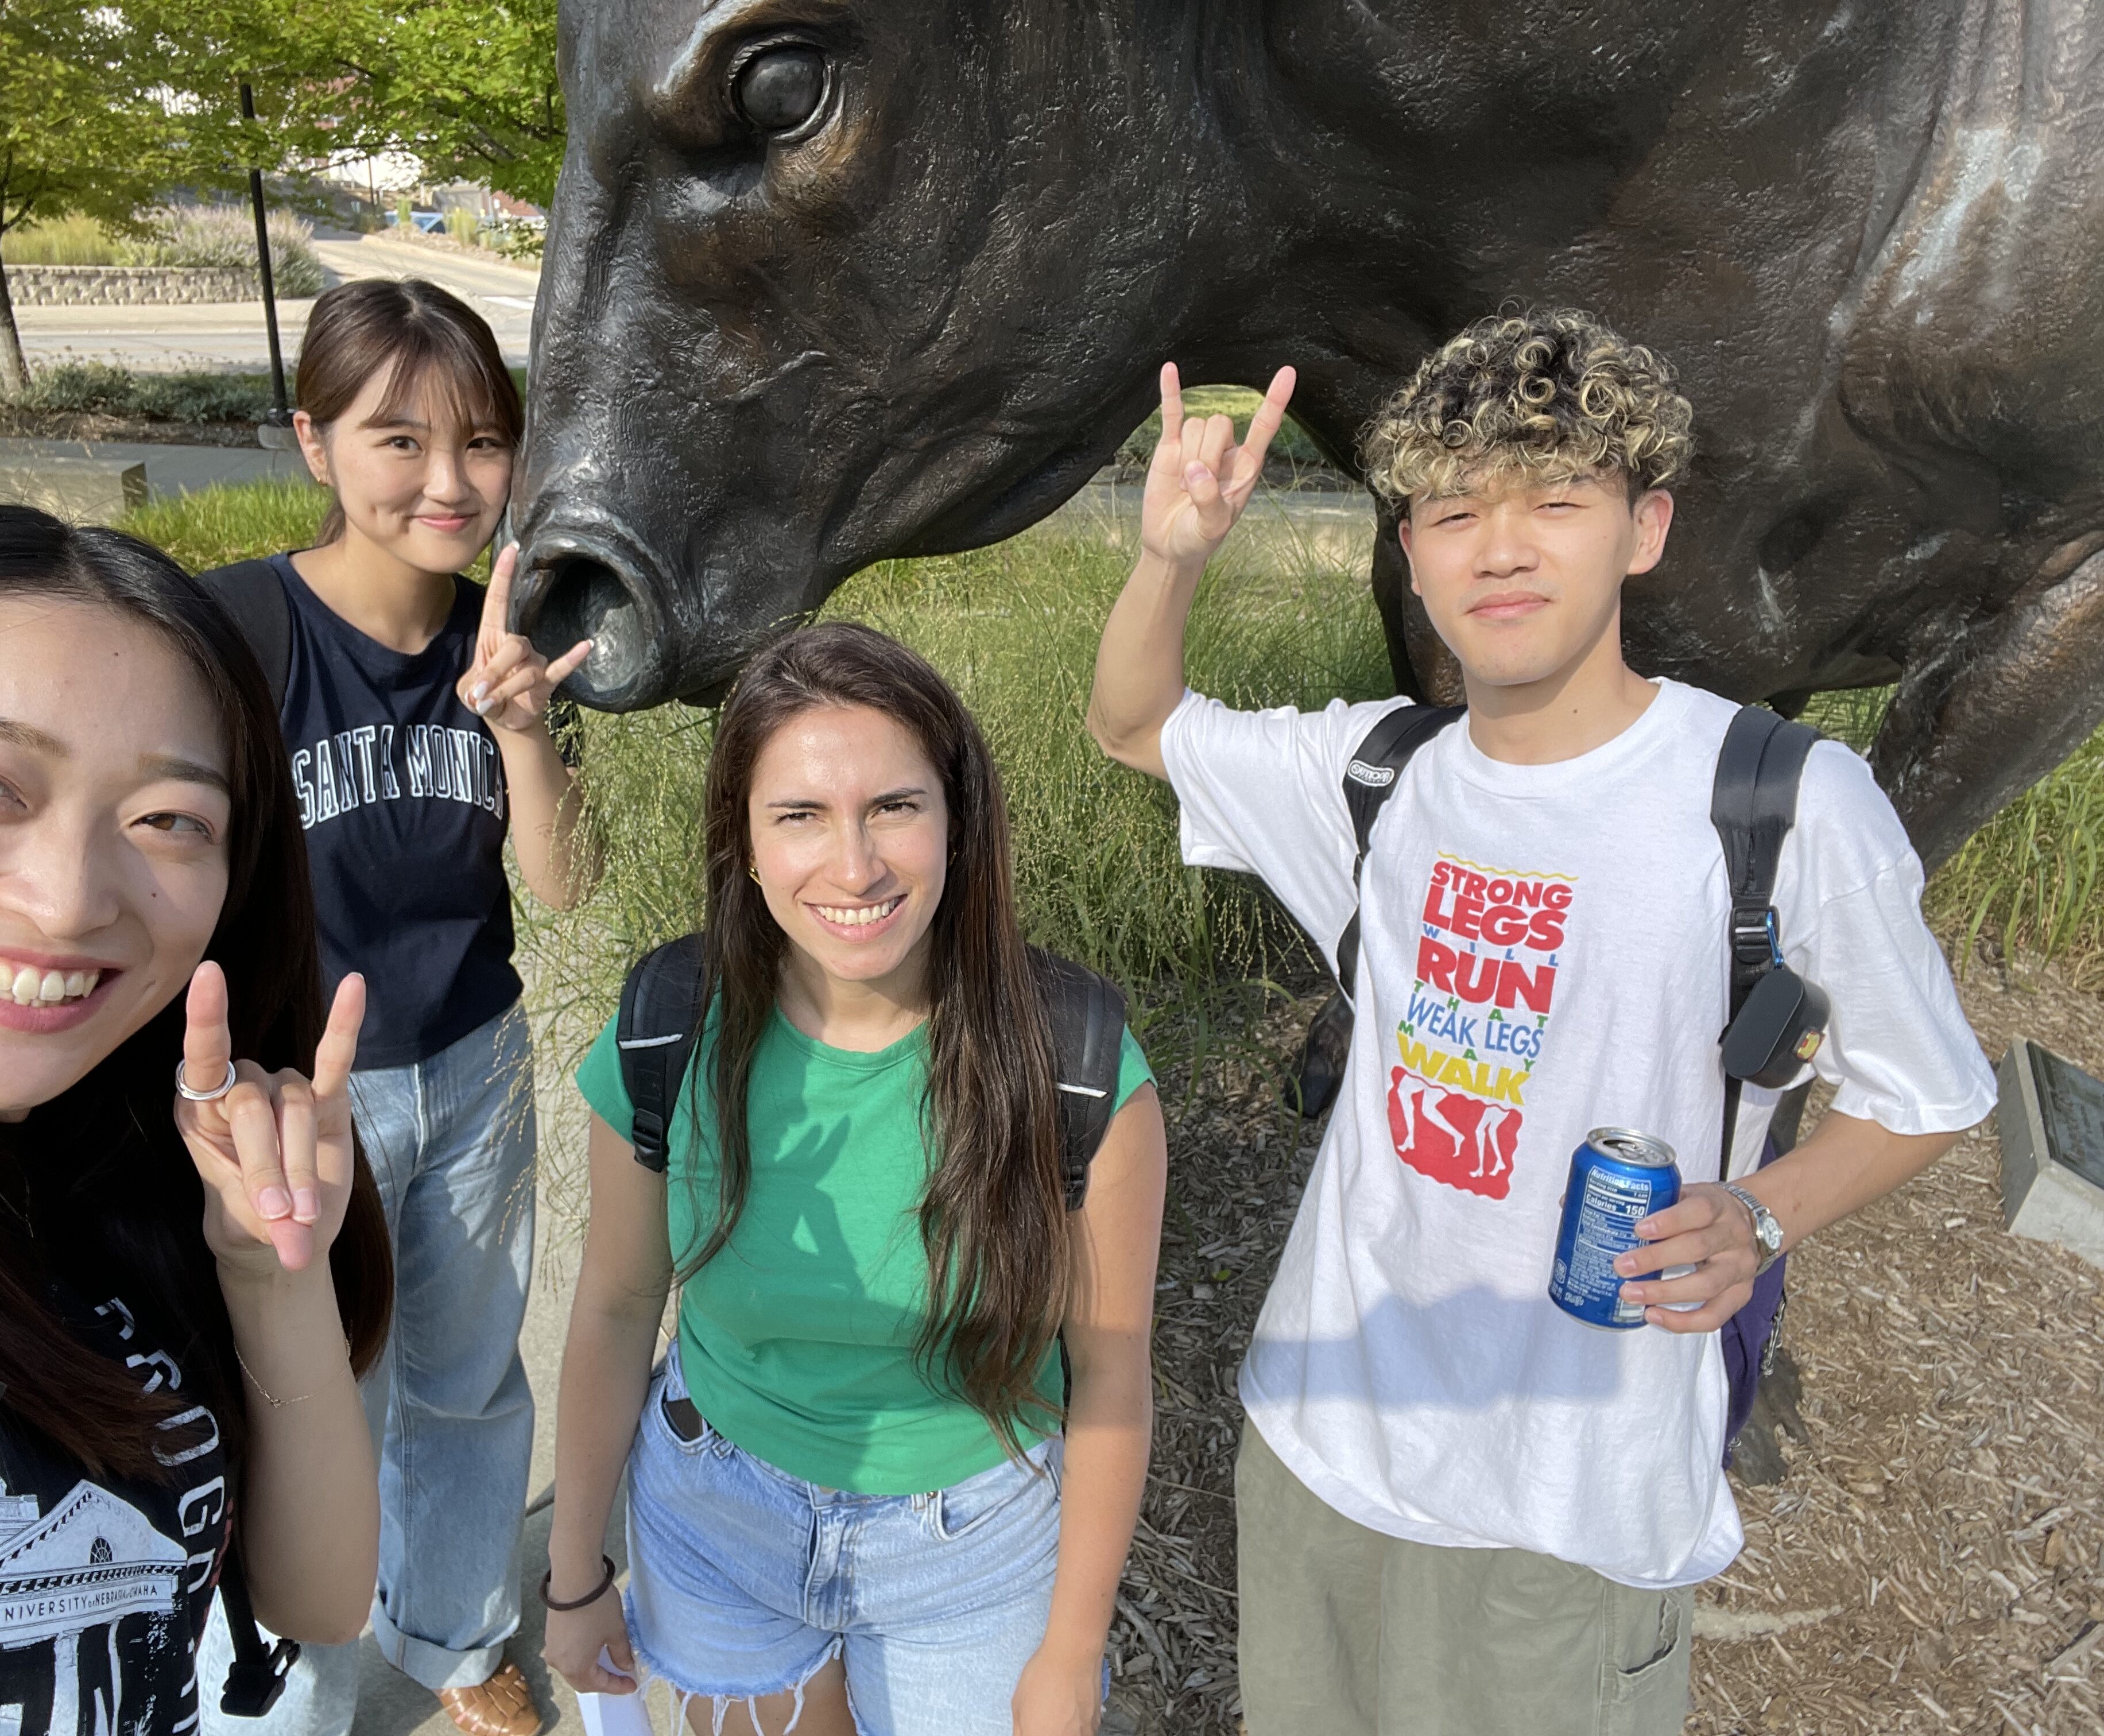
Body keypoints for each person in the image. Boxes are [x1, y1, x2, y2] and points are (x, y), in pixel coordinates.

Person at [1086, 311, 1997, 1736]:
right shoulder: (1376, 775)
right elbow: (1139, 726)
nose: (1498, 551)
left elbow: (1931, 1090)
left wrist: (1761, 1215)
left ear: (1645, 528)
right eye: (1452, 513)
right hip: (1322, 1451)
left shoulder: (1781, 802)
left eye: (1555, 502)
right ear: (1411, 554)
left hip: (1571, 1495)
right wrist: (1171, 556)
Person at [0, 504, 394, 1734]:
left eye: (170, 819)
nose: (67, 902)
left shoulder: (128, 1157)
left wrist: (270, 1273)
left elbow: (318, 1602)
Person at [541, 623, 1168, 1736]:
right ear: (741, 838)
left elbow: (1110, 1373)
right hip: (714, 1516)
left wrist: (1073, 1650)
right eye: (800, 816)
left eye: (895, 807)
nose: (855, 865)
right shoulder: (668, 1027)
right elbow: (617, 1305)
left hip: (974, 1552)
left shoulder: (1071, 1062)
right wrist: (576, 1570)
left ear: (957, 817)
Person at [193, 277, 596, 1736]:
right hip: (304, 1097)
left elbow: (557, 890)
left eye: (483, 442)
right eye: (399, 439)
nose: (449, 481)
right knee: (315, 1403)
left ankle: (454, 1636)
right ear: (314, 443)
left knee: (470, 1381)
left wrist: (526, 731)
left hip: (475, 1061)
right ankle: (288, 1693)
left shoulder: (512, 638)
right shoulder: (239, 632)